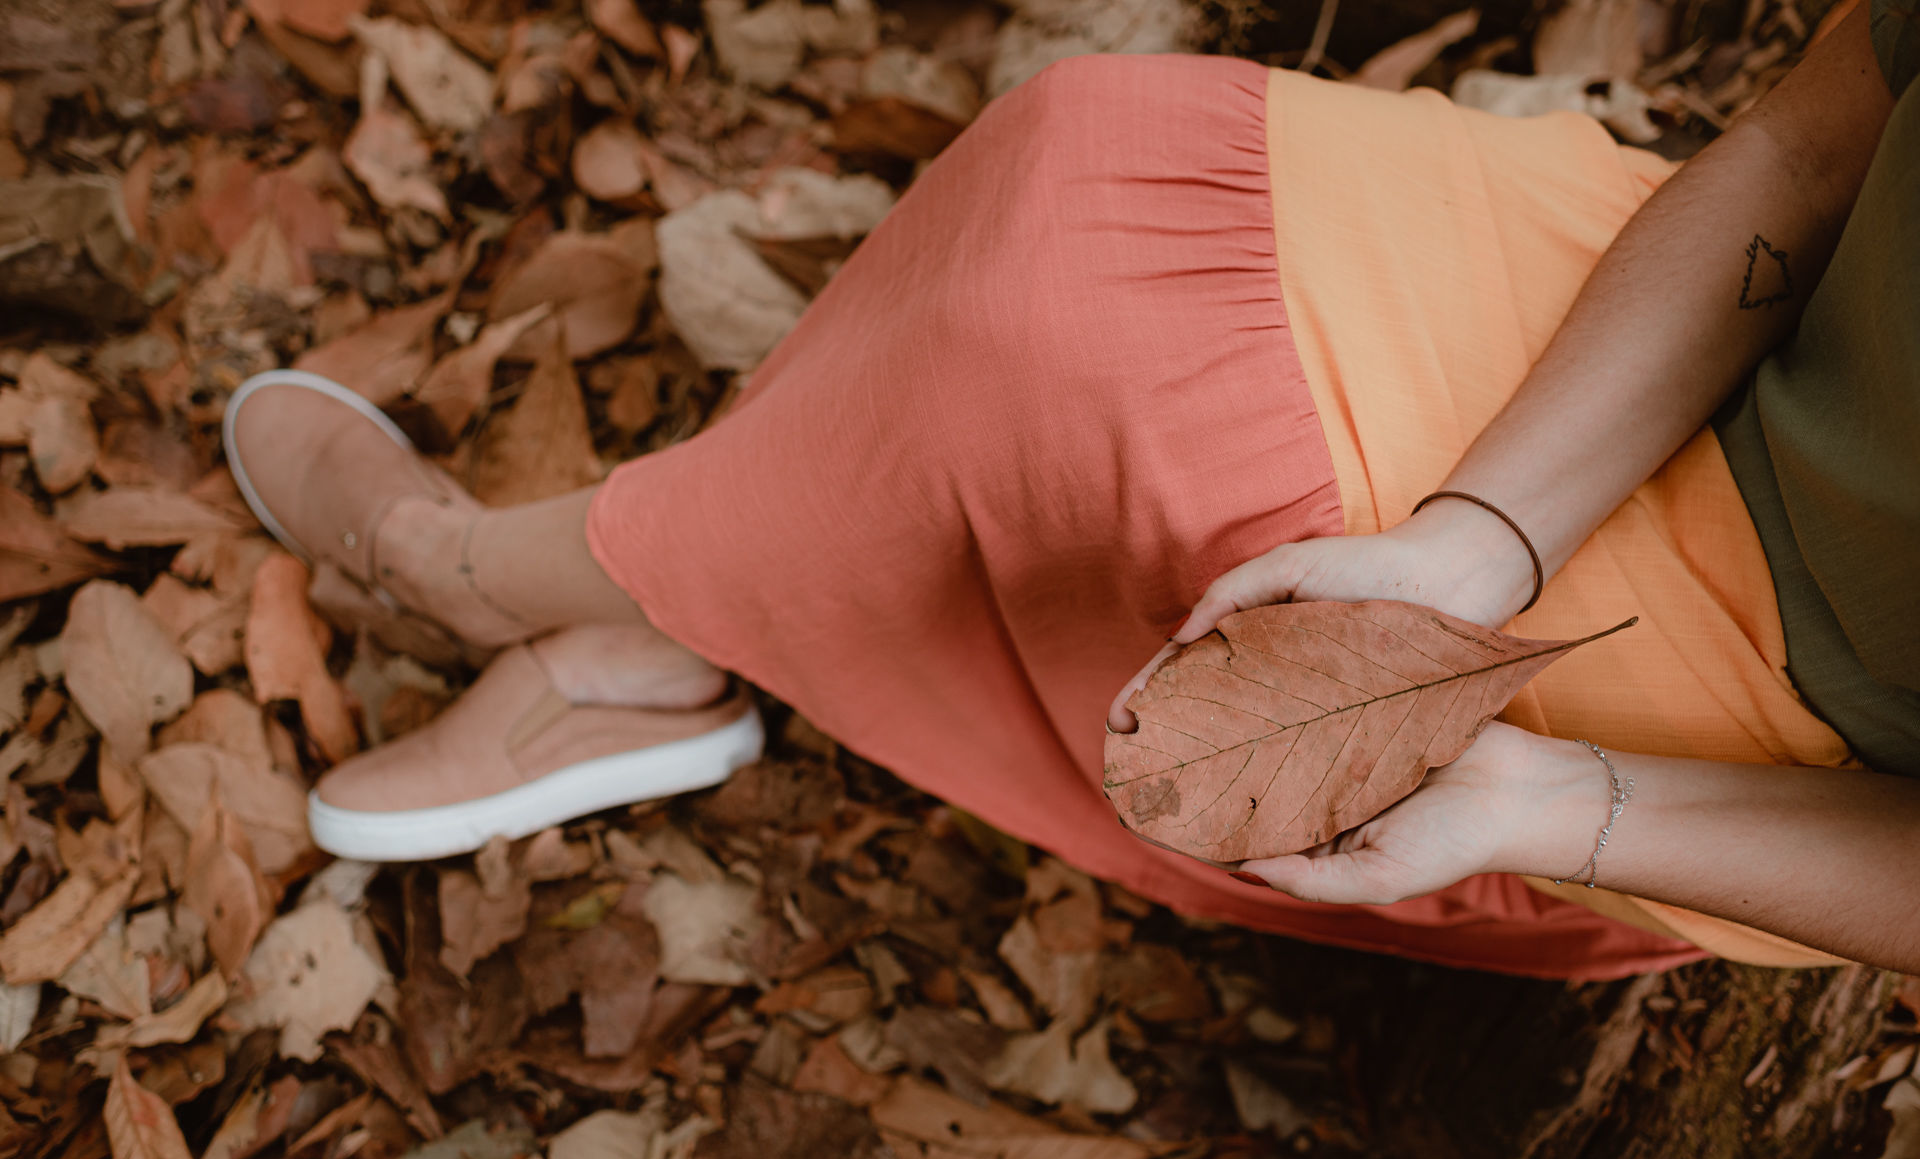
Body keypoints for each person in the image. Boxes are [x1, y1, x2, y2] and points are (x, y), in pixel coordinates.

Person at [223, 0, 1920, 982]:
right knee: (1075, 180)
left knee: (1087, 392)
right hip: (1675, 330)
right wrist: (1481, 537)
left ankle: (484, 577)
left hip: (1755, 704)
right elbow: (1805, 151)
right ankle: (670, 615)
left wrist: (1551, 805)